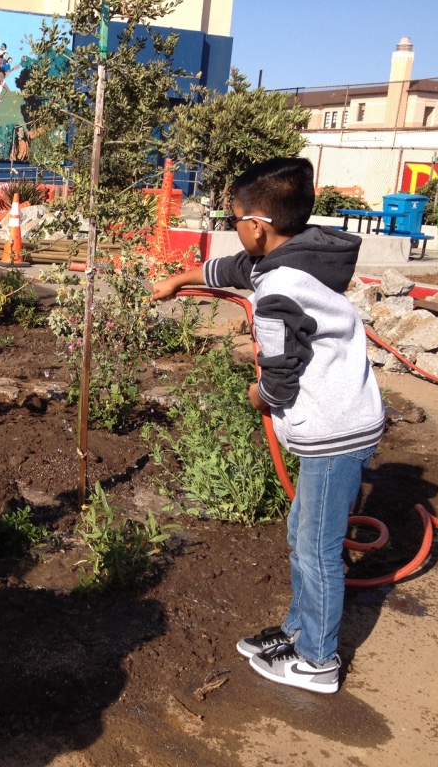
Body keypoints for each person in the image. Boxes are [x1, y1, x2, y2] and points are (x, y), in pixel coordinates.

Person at [150, 157, 386, 695]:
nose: (233, 228)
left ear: (258, 223)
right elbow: (236, 269)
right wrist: (180, 279)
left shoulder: (280, 290)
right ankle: (298, 630)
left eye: (234, 218)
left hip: (334, 431)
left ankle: (318, 661)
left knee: (319, 549)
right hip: (339, 420)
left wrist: (263, 395)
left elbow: (278, 371)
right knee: (302, 534)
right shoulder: (299, 252)